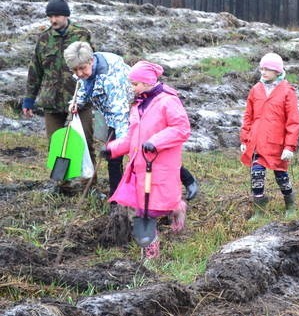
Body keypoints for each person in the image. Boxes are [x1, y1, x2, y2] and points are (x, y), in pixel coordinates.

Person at [64, 41, 199, 201]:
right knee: (114, 160)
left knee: (146, 154)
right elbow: (84, 85)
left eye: (82, 69)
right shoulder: (87, 69)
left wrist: (123, 144)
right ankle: (117, 199)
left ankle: (188, 180)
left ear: (91, 61)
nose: (79, 73)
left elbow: (120, 113)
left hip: (135, 113)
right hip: (113, 115)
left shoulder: (110, 78)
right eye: (75, 70)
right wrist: (77, 103)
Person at [104, 60, 191, 259]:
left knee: (150, 210)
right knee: (143, 206)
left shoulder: (168, 101)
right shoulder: (138, 105)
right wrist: (112, 149)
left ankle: (151, 252)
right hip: (140, 166)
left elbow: (181, 128)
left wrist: (156, 142)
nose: (131, 88)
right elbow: (131, 136)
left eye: (135, 84)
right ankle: (176, 207)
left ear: (147, 82)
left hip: (161, 163)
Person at [23, 0, 95, 168]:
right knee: (57, 146)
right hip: (52, 102)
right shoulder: (44, 39)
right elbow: (35, 70)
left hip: (79, 100)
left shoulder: (81, 35)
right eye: (50, 16)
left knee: (85, 143)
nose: (53, 20)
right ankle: (63, 185)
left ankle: (89, 183)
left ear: (66, 16)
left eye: (57, 16)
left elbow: (93, 65)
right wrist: (29, 99)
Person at [240, 53, 299, 217]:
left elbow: (293, 121)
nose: (264, 72)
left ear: (277, 72)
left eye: (268, 69)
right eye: (262, 68)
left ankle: (290, 205)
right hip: (257, 142)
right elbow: (248, 116)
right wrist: (245, 138)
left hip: (276, 143)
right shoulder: (256, 90)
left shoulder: (287, 91)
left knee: (281, 176)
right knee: (256, 175)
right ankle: (259, 210)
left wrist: (289, 146)